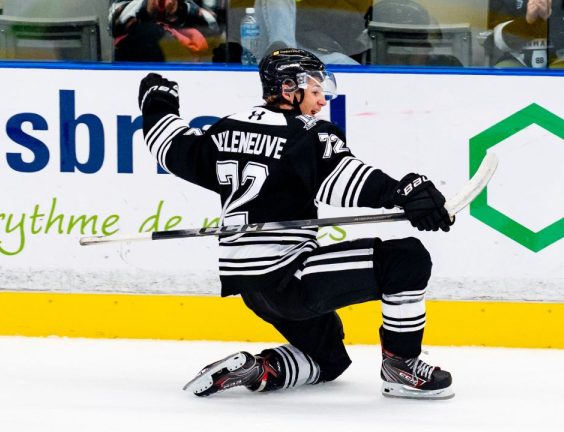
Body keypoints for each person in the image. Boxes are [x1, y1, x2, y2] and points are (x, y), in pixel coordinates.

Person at [137, 48, 454, 399]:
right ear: (289, 89)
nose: (321, 102)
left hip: (251, 288)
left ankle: (258, 370)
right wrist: (402, 191)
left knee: (329, 358)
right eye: (316, 91)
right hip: (289, 276)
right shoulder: (306, 134)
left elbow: (168, 146)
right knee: (407, 259)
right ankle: (403, 366)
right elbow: (344, 179)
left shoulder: (224, 130)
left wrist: (158, 100)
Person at [251, 0, 372, 65]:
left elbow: (350, 21)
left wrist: (304, 16)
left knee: (346, 64)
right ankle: (284, 58)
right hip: (273, 49)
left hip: (313, 51)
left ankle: (289, 60)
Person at [488, 0, 564, 68]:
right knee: (503, 76)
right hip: (516, 59)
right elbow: (499, 40)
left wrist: (547, 20)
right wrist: (528, 22)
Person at [109, 0, 221, 62]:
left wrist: (181, 9)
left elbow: (216, 24)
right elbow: (112, 23)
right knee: (150, 33)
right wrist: (145, 6)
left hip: (193, 61)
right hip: (138, 54)